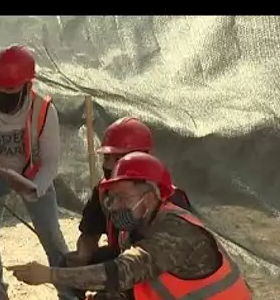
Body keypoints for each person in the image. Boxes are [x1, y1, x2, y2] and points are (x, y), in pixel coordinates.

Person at [8, 152, 252, 300]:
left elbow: (122, 272)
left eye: (123, 198)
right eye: (113, 198)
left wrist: (50, 275)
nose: (114, 206)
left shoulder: (175, 232)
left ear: (151, 195)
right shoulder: (142, 224)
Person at [0, 45, 73, 300]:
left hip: (32, 177)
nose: (3, 95)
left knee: (52, 238)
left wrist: (35, 187)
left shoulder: (43, 111)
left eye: (11, 90)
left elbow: (51, 161)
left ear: (27, 86)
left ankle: (69, 294)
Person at [71, 117, 193, 274]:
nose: (107, 166)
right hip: (125, 263)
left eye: (115, 159)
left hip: (160, 271)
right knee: (99, 259)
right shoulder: (103, 191)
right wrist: (82, 261)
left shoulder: (171, 199)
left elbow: (177, 257)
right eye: (106, 158)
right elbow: (88, 236)